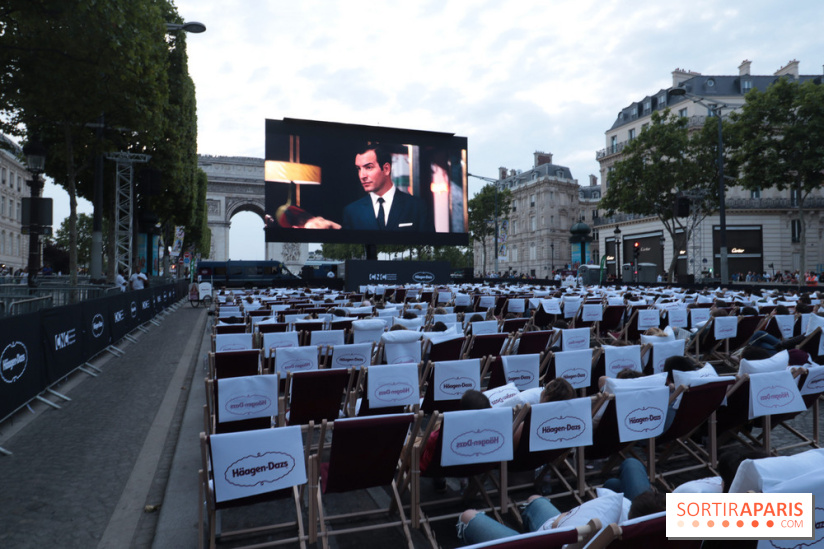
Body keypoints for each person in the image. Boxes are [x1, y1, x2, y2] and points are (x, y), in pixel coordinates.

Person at [342, 144, 434, 231]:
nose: (362, 175)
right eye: (359, 169)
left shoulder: (417, 207)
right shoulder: (352, 212)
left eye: (368, 167)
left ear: (386, 169)